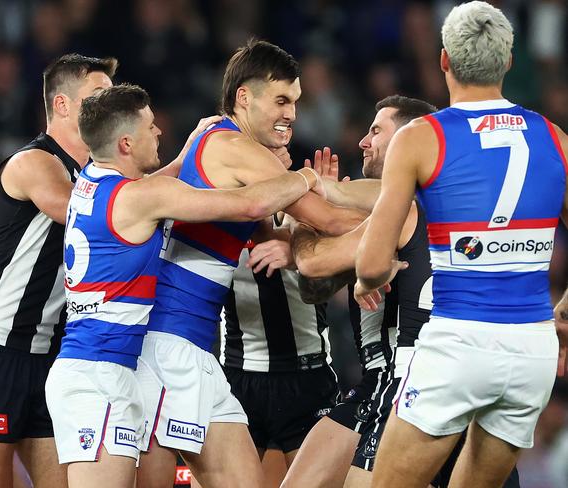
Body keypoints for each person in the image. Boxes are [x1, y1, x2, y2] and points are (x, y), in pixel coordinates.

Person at [44, 83, 325, 488]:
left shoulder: (90, 183)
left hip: (111, 367)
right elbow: (251, 205)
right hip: (97, 376)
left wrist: (183, 156)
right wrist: (304, 175)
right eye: (150, 127)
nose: (158, 131)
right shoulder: (142, 198)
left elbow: (153, 188)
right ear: (126, 143)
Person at [354, 2, 568, 487]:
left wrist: (373, 276)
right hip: (532, 350)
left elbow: (369, 262)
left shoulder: (421, 137)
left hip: (458, 342)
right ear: (509, 62)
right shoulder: (554, 138)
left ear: (444, 60)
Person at [137, 40, 365, 488]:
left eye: (296, 103)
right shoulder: (237, 148)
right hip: (177, 348)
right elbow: (331, 220)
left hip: (188, 348)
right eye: (281, 100)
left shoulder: (209, 138)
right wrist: (415, 220)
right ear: (244, 96)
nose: (292, 115)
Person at [0, 53, 117, 488]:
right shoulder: (33, 162)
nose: (111, 110)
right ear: (61, 105)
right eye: (98, 98)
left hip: (50, 359)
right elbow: (76, 212)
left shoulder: (97, 175)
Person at [281, 95, 437, 488]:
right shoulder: (411, 206)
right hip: (377, 380)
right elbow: (315, 286)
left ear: (407, 139)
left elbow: (313, 262)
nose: (364, 142)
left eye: (376, 131)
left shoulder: (402, 207)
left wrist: (306, 218)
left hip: (402, 380)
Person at [220, 212, 338, 480]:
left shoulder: (312, 208)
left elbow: (338, 269)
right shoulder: (221, 206)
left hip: (306, 379)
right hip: (238, 380)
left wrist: (300, 252)